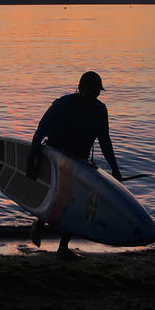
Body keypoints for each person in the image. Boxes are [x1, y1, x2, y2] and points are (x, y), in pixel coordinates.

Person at [25, 71, 123, 259]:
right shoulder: (62, 105)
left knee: (75, 203)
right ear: (80, 87)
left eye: (97, 91)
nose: (95, 95)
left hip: (80, 163)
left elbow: (105, 141)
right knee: (60, 197)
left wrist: (115, 168)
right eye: (92, 90)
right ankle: (40, 222)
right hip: (56, 158)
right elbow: (40, 133)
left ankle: (62, 246)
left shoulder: (100, 110)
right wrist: (31, 161)